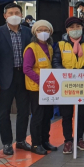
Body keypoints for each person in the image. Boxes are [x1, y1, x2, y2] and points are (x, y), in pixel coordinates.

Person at [0, 3, 33, 156]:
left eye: (17, 12)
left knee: (24, 111)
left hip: (24, 76)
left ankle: (21, 140)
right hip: (4, 78)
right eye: (10, 13)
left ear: (22, 15)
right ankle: (7, 143)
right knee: (4, 112)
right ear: (5, 16)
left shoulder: (28, 32)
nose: (14, 15)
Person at [52, 17, 84, 154]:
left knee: (81, 114)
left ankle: (79, 139)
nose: (75, 30)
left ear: (82, 28)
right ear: (67, 30)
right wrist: (66, 73)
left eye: (77, 27)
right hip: (66, 84)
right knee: (66, 114)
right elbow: (56, 62)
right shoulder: (60, 45)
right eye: (72, 27)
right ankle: (68, 141)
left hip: (83, 84)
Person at [23, 20, 56, 155]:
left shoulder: (49, 47)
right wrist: (40, 80)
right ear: (35, 32)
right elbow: (27, 68)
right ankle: (36, 144)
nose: (43, 33)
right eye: (40, 30)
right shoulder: (31, 48)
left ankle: (45, 140)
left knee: (47, 115)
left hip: (48, 88)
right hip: (36, 88)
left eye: (46, 30)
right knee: (38, 116)